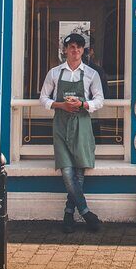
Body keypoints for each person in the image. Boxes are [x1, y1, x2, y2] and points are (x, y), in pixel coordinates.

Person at [39, 33, 104, 233]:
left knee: (79, 170)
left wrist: (83, 104)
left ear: (83, 51)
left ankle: (69, 214)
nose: (75, 50)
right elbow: (43, 98)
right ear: (65, 50)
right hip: (61, 125)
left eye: (78, 47)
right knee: (67, 170)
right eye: (71, 47)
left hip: (82, 125)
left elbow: (99, 100)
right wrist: (61, 105)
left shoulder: (92, 74)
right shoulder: (54, 73)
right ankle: (85, 212)